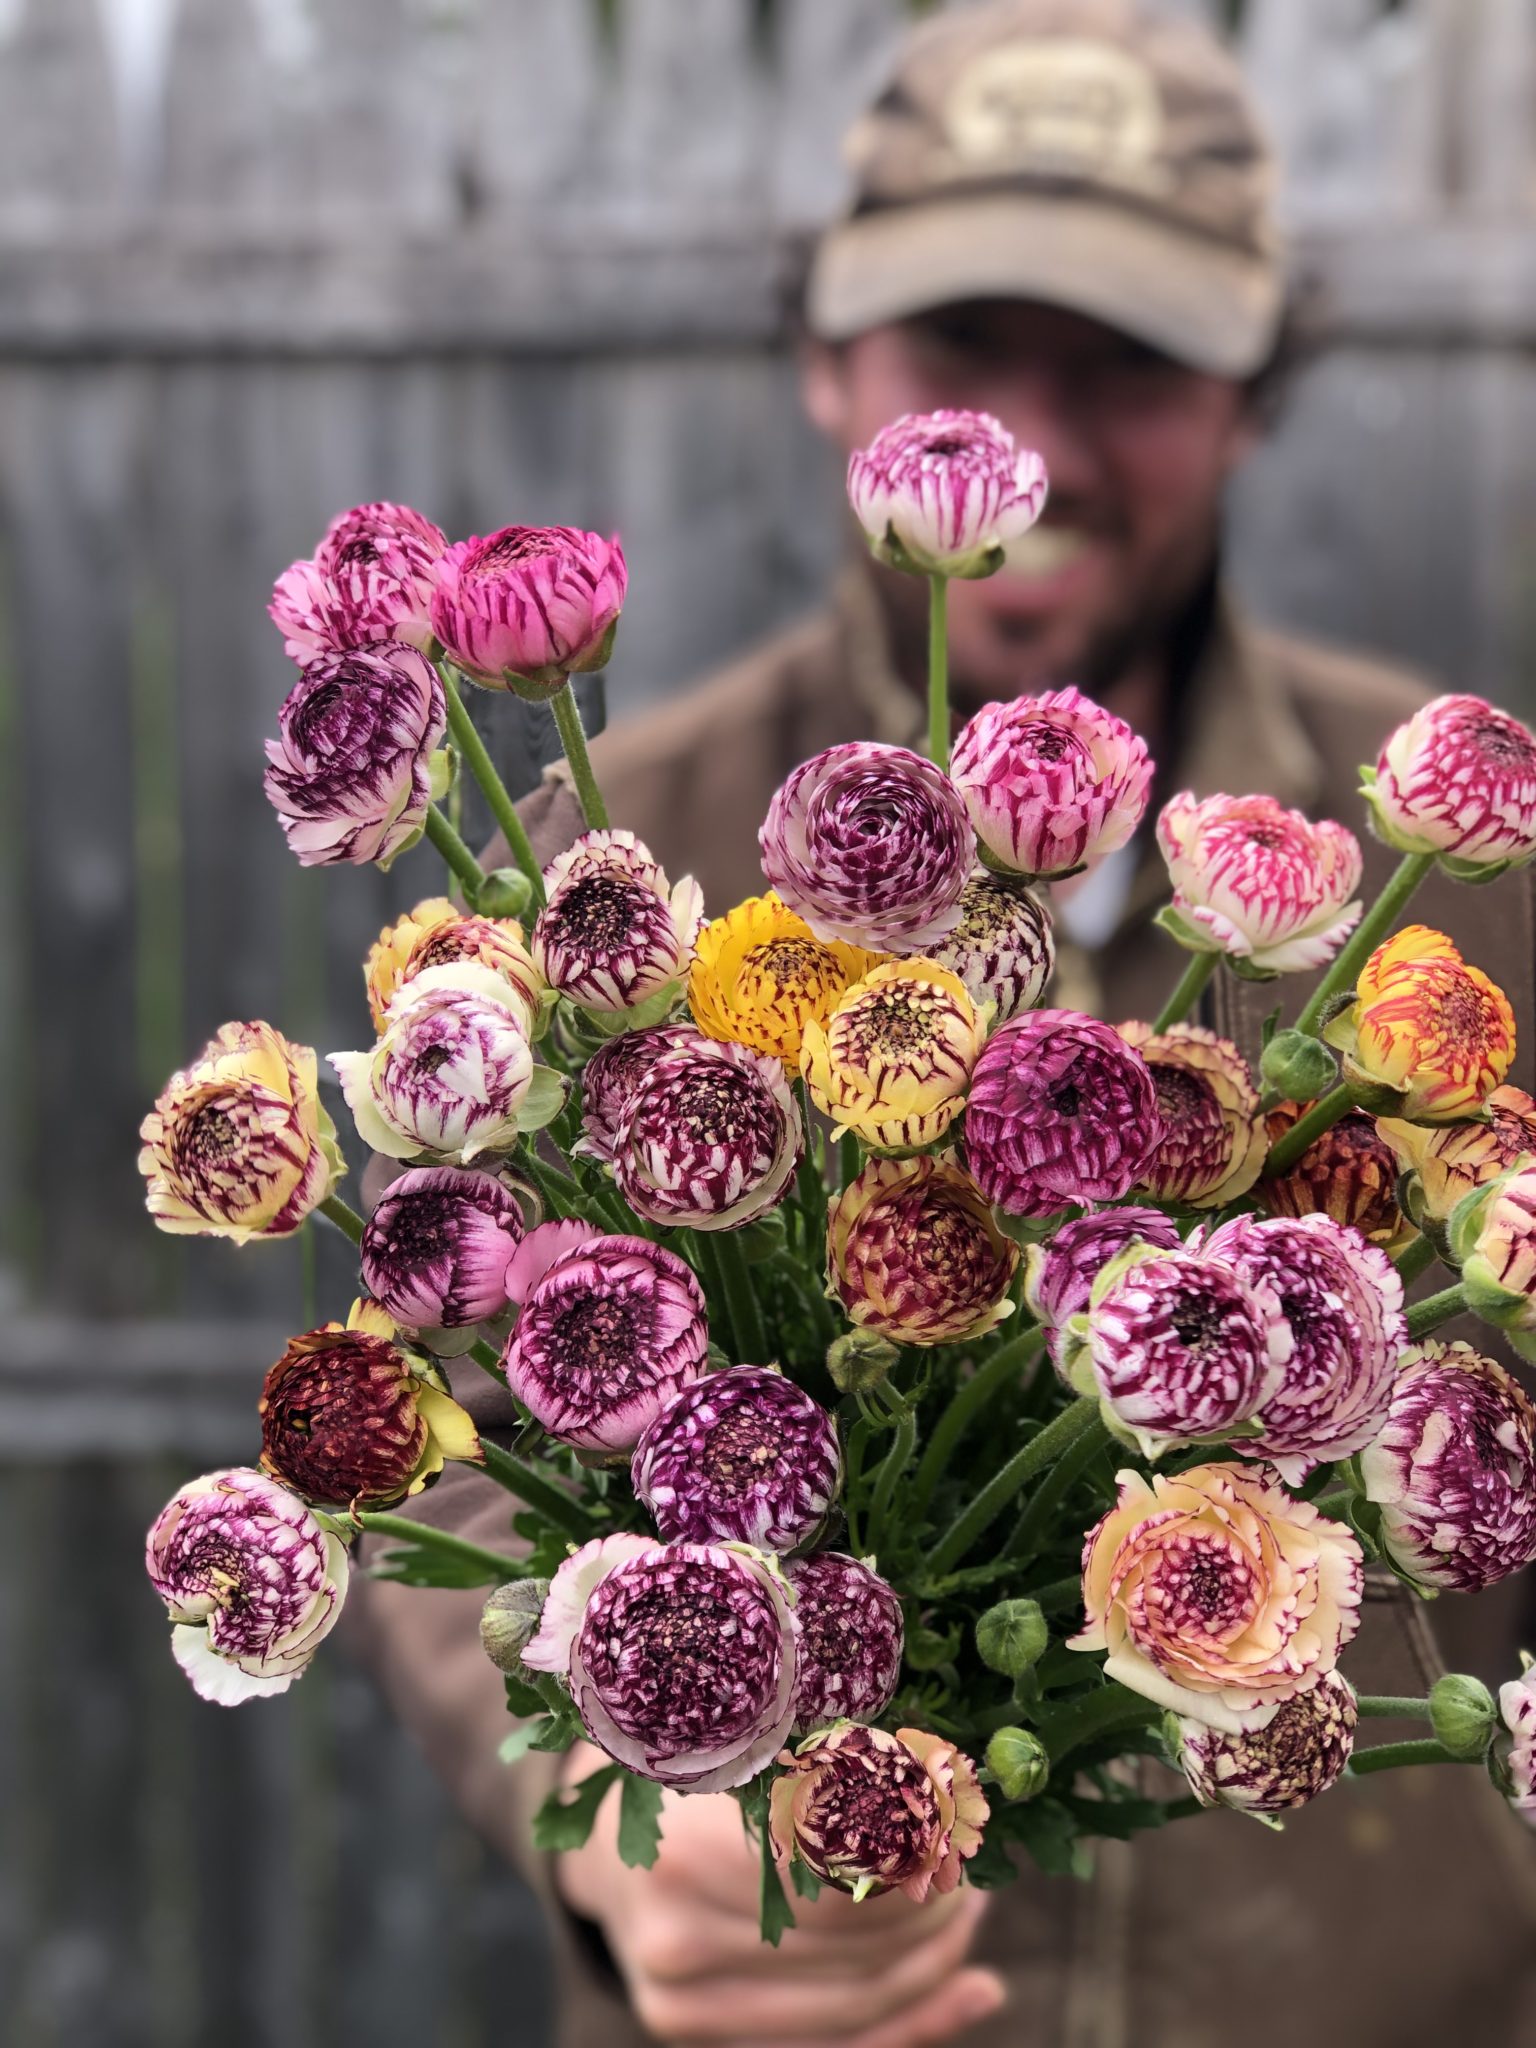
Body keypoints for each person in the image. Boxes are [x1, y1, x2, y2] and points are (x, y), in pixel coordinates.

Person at [350, 4, 1536, 2045]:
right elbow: (431, 1433)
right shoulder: (612, 865)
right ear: (826, 360)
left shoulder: (1463, 892)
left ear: (1257, 389)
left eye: (1127, 365)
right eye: (962, 353)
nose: (1043, 445)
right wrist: (609, 1801)